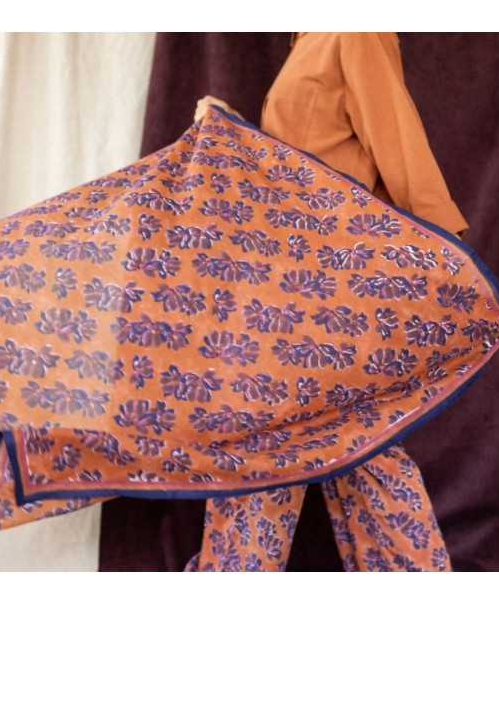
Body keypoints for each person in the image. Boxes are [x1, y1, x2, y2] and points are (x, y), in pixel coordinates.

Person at [187, 32, 468, 572]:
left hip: (328, 296)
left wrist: (456, 268)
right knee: (356, 449)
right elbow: (300, 170)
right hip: (295, 288)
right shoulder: (307, 37)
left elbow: (402, 148)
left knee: (273, 444)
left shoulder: (352, 29)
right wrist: (233, 129)